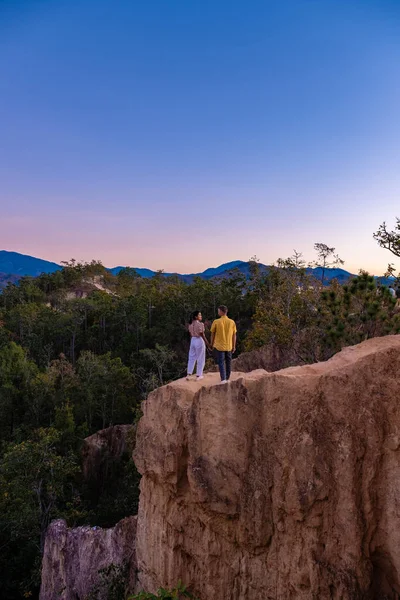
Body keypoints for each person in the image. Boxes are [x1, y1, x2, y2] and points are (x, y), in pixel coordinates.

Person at [211, 305, 237, 384]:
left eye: (218, 311)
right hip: (229, 345)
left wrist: (211, 344)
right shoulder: (232, 322)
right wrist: (234, 346)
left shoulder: (216, 321)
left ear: (222, 312)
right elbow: (234, 335)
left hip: (219, 346)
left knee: (221, 362)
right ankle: (227, 377)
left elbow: (212, 334)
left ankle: (223, 379)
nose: (218, 312)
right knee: (228, 362)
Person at [186, 311, 210, 381]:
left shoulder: (190, 324)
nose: (201, 316)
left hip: (193, 340)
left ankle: (189, 374)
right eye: (199, 315)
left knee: (191, 357)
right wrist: (208, 344)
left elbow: (190, 334)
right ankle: (199, 374)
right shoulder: (200, 324)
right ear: (196, 317)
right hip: (199, 340)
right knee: (200, 357)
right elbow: (202, 334)